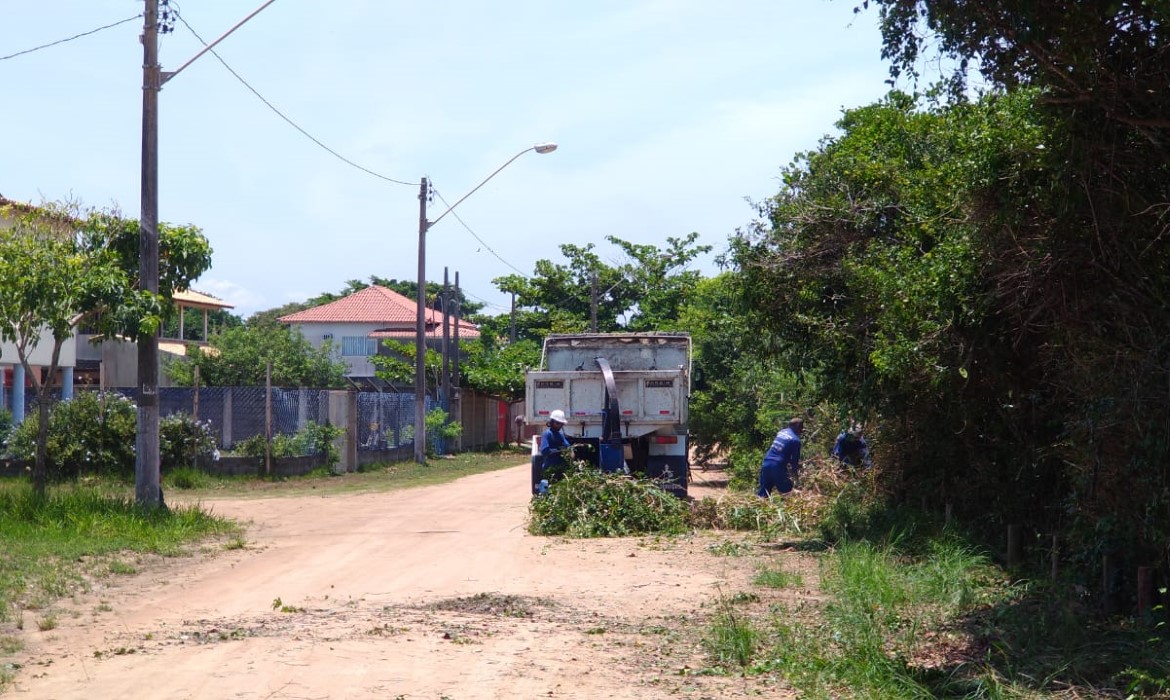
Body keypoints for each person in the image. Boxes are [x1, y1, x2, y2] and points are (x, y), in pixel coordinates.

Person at [757, 417, 803, 497]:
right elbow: (794, 463)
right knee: (788, 492)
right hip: (777, 466)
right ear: (798, 426)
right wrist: (796, 479)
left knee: (763, 494)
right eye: (801, 427)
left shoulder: (781, 432)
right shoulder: (796, 440)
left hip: (766, 463)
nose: (802, 430)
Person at [540, 409, 572, 481]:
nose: (559, 425)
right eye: (557, 423)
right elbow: (544, 450)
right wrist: (558, 450)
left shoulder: (560, 435)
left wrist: (570, 449)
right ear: (552, 422)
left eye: (561, 424)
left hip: (561, 469)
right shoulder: (547, 434)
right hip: (549, 469)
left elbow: (568, 446)